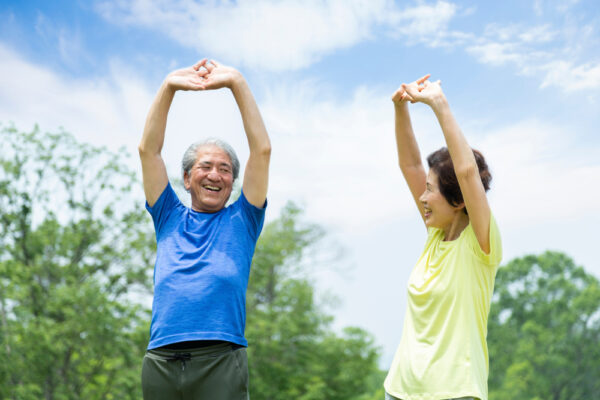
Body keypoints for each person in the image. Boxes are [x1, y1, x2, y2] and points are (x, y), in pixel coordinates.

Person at [138, 59, 271, 399]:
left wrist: (237, 83)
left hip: (220, 359)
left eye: (225, 169)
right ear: (186, 178)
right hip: (161, 358)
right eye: (206, 166)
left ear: (233, 182)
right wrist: (169, 87)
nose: (215, 175)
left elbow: (262, 150)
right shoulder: (168, 214)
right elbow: (148, 151)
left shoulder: (243, 219)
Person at [383, 75, 502, 400]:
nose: (422, 198)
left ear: (460, 200)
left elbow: (466, 173)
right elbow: (409, 164)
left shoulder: (481, 245)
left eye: (431, 191)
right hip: (398, 390)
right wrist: (400, 108)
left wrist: (439, 104)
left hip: (454, 393)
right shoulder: (435, 236)